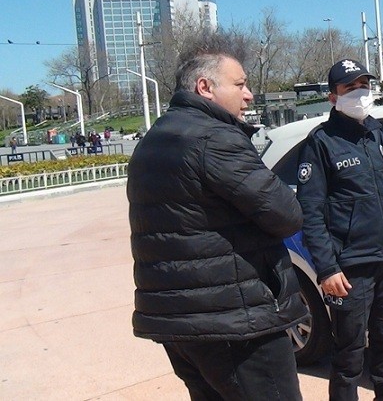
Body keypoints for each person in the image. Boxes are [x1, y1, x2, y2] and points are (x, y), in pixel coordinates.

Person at [127, 37, 308, 400]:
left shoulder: (153, 139)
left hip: (179, 322)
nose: (249, 95)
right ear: (205, 87)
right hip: (235, 323)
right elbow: (286, 215)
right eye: (240, 85)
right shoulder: (215, 138)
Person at [296, 58, 383, 401]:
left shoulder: (376, 134)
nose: (360, 93)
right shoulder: (320, 143)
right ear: (333, 97)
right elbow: (310, 213)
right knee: (348, 353)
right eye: (350, 88)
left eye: (364, 85)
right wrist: (326, 268)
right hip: (348, 269)